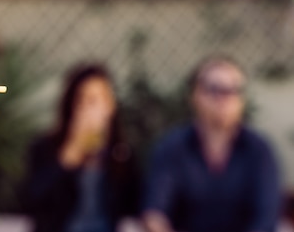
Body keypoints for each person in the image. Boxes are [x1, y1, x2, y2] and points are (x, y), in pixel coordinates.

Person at [142, 54, 282, 232]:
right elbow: (155, 212)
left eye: (233, 90)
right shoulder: (172, 148)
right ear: (195, 95)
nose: (224, 99)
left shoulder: (259, 151)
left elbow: (265, 218)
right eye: (215, 89)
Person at [21, 63, 141, 232]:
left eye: (95, 100)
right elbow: (32, 201)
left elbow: (134, 205)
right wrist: (69, 156)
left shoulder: (121, 152)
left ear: (110, 105)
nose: (88, 108)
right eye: (82, 100)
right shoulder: (46, 148)